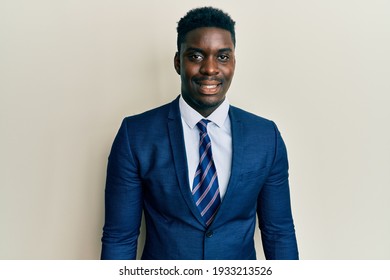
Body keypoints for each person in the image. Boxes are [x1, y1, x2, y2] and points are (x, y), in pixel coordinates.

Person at [101, 6, 298, 260]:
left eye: (223, 57)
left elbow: (278, 233)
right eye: (196, 56)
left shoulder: (265, 136)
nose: (210, 69)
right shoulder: (136, 135)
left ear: (234, 63)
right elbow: (120, 237)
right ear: (177, 62)